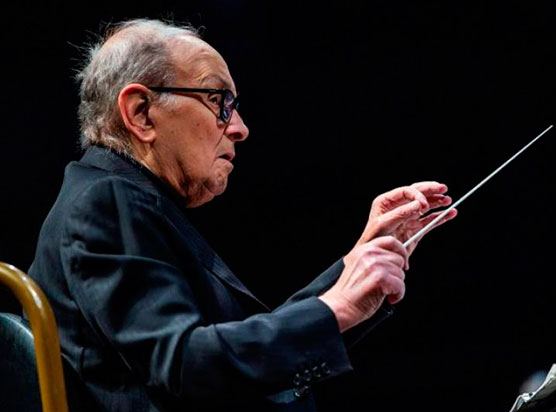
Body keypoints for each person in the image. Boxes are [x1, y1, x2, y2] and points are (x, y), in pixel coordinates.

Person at [29, 19, 457, 411]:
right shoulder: (104, 203)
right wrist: (336, 307)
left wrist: (354, 269)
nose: (239, 127)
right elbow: (184, 366)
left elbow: (235, 342)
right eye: (219, 100)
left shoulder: (124, 200)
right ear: (141, 113)